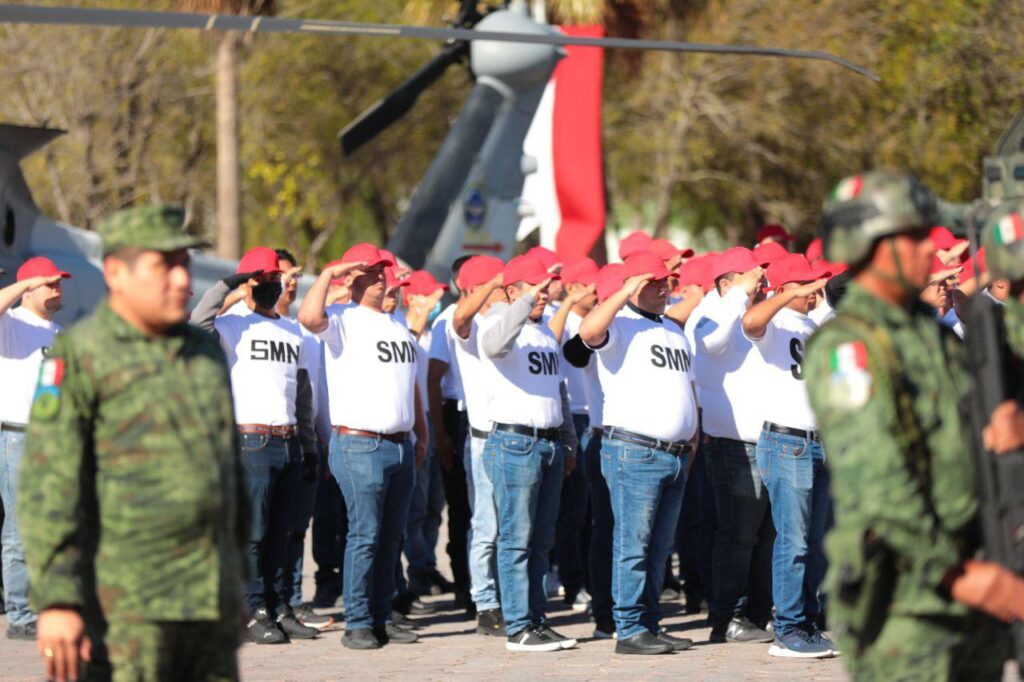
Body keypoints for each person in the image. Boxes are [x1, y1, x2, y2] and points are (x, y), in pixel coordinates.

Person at [805, 171, 1023, 680]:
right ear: (872, 245)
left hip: (973, 578)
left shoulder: (934, 335)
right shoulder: (849, 347)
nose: (933, 253)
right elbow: (878, 481)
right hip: (909, 602)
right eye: (915, 238)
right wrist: (958, 575)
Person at [19, 205, 249, 682]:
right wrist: (58, 600)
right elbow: (48, 485)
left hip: (206, 605)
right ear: (116, 273)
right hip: (122, 610)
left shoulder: (204, 352)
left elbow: (227, 472)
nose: (182, 280)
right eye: (163, 266)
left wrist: (238, 576)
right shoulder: (80, 354)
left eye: (184, 264)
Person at [298, 243, 428, 651]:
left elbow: (410, 385)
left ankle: (381, 615)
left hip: (398, 446)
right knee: (365, 535)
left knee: (391, 538)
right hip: (360, 445)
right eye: (371, 272)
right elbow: (307, 316)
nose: (381, 277)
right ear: (353, 278)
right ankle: (357, 621)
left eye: (383, 271)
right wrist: (328, 274)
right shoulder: (342, 318)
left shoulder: (395, 323)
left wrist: (418, 434)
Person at [190, 246, 320, 644]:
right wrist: (230, 283)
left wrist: (310, 445)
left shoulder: (290, 328)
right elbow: (197, 322)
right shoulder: (232, 327)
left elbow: (301, 393)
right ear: (248, 284)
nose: (271, 285)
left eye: (274, 279)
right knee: (254, 534)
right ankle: (252, 610)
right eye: (262, 279)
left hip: (288, 441)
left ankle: (278, 605)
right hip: (251, 442)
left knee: (282, 533)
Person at [579, 251, 698, 655]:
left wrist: (692, 439)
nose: (666, 287)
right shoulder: (621, 324)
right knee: (634, 543)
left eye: (667, 281)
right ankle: (628, 627)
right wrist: (624, 292)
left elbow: (688, 387)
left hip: (675, 454)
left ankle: (649, 621)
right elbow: (588, 333)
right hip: (635, 451)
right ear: (634, 285)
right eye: (655, 281)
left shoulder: (674, 330)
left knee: (659, 548)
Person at [478, 253, 578, 652]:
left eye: (545, 287)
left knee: (540, 541)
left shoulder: (543, 332)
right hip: (515, 444)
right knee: (516, 540)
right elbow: (494, 342)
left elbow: (560, 392)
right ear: (513, 291)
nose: (543, 295)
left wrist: (568, 441)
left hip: (548, 443)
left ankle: (536, 620)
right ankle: (517, 626)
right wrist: (522, 302)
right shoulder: (499, 323)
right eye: (534, 288)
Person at [741, 253, 835, 658]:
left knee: (814, 543)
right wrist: (785, 294)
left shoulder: (813, 326)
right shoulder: (774, 324)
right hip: (786, 443)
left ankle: (807, 622)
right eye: (806, 285)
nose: (814, 291)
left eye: (816, 285)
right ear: (785, 289)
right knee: (793, 541)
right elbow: (750, 323)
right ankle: (788, 627)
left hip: (818, 442)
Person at [693, 247, 775, 644]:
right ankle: (727, 617)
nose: (761, 286)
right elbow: (708, 343)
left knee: (767, 537)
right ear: (726, 283)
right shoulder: (711, 312)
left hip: (769, 441)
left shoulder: (747, 313)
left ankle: (757, 614)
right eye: (752, 280)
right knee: (738, 535)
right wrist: (740, 296)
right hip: (733, 446)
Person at [0, 256, 69, 641]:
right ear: (29, 289)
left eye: (60, 284)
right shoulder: (10, 324)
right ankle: (20, 614)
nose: (58, 289)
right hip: (17, 437)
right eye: (50, 283)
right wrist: (23, 284)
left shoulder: (59, 333)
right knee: (20, 531)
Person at [448, 255, 508, 636]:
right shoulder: (468, 325)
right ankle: (486, 603)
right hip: (485, 439)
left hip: (515, 437)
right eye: (497, 284)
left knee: (516, 527)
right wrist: (491, 284)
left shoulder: (507, 321)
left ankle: (511, 598)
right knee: (487, 526)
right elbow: (460, 319)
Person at [545, 257, 600, 613]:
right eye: (589, 286)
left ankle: (589, 581)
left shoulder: (601, 318)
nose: (597, 291)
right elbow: (549, 340)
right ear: (573, 287)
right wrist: (566, 302)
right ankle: (572, 582)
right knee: (573, 513)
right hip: (572, 420)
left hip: (596, 419)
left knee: (592, 511)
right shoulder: (561, 319)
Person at [425, 257, 475, 615]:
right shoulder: (447, 320)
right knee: (462, 508)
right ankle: (464, 586)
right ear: (461, 283)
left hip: (484, 416)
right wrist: (441, 436)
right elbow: (433, 379)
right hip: (455, 415)